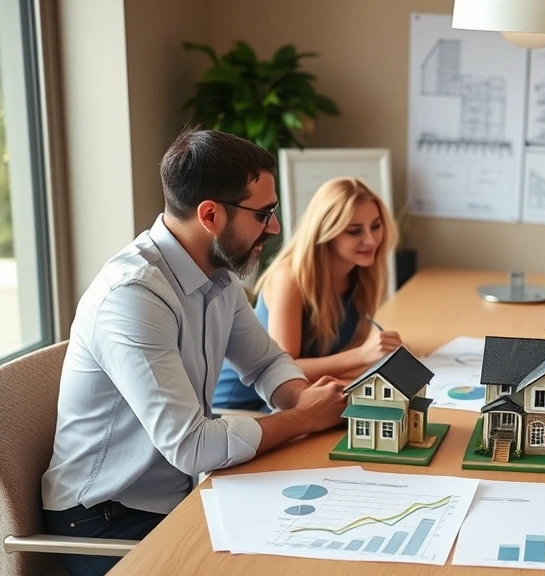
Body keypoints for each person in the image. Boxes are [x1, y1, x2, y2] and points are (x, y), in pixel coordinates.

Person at [40, 128, 349, 576]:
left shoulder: (219, 277)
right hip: (100, 520)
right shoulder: (134, 296)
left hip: (174, 500)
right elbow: (190, 446)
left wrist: (303, 398)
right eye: (263, 214)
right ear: (210, 215)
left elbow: (265, 362)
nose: (276, 228)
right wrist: (303, 418)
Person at [213, 177, 403, 412]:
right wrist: (362, 356)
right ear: (325, 232)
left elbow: (350, 344)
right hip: (244, 406)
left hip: (302, 395)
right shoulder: (290, 278)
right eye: (354, 231)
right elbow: (283, 369)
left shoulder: (363, 273)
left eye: (376, 226)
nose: (371, 239)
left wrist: (370, 353)